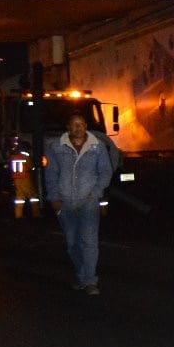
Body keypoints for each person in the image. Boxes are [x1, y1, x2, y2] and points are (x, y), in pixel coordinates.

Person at [45, 113, 112, 296]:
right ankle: (83, 277)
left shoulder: (96, 147)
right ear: (68, 127)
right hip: (65, 203)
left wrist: (96, 192)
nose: (78, 128)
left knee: (89, 242)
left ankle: (90, 281)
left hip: (88, 202)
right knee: (72, 243)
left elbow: (105, 171)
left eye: (81, 124)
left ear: (86, 126)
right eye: (75, 124)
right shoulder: (57, 147)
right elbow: (51, 174)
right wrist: (54, 198)